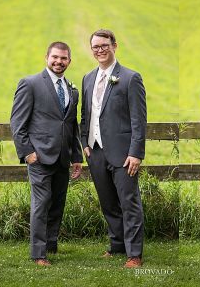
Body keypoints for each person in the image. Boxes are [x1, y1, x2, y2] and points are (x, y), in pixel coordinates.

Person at [10, 41, 83, 266]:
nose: (59, 62)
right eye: (55, 57)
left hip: (62, 157)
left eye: (63, 58)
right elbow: (17, 122)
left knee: (57, 203)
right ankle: (39, 254)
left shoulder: (72, 90)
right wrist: (27, 153)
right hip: (39, 157)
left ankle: (51, 244)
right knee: (41, 204)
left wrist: (76, 157)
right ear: (46, 57)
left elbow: (71, 126)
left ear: (69, 61)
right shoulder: (30, 84)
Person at [79, 29, 147, 268]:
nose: (100, 50)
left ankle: (134, 254)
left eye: (104, 45)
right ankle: (117, 245)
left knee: (129, 202)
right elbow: (85, 116)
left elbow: (139, 120)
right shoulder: (88, 78)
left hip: (123, 154)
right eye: (95, 47)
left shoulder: (130, 77)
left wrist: (136, 153)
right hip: (95, 152)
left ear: (114, 46)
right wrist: (85, 145)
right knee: (108, 202)